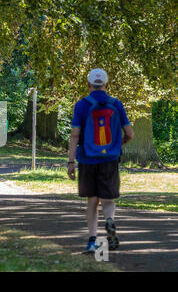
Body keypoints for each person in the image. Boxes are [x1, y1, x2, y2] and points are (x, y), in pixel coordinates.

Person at [67, 68, 134, 253]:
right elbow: (129, 133)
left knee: (92, 200)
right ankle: (110, 220)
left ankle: (92, 240)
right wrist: (118, 144)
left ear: (88, 84)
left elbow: (74, 135)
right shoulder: (117, 104)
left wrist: (70, 162)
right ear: (107, 84)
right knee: (108, 199)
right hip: (110, 159)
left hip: (87, 159)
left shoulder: (81, 105)